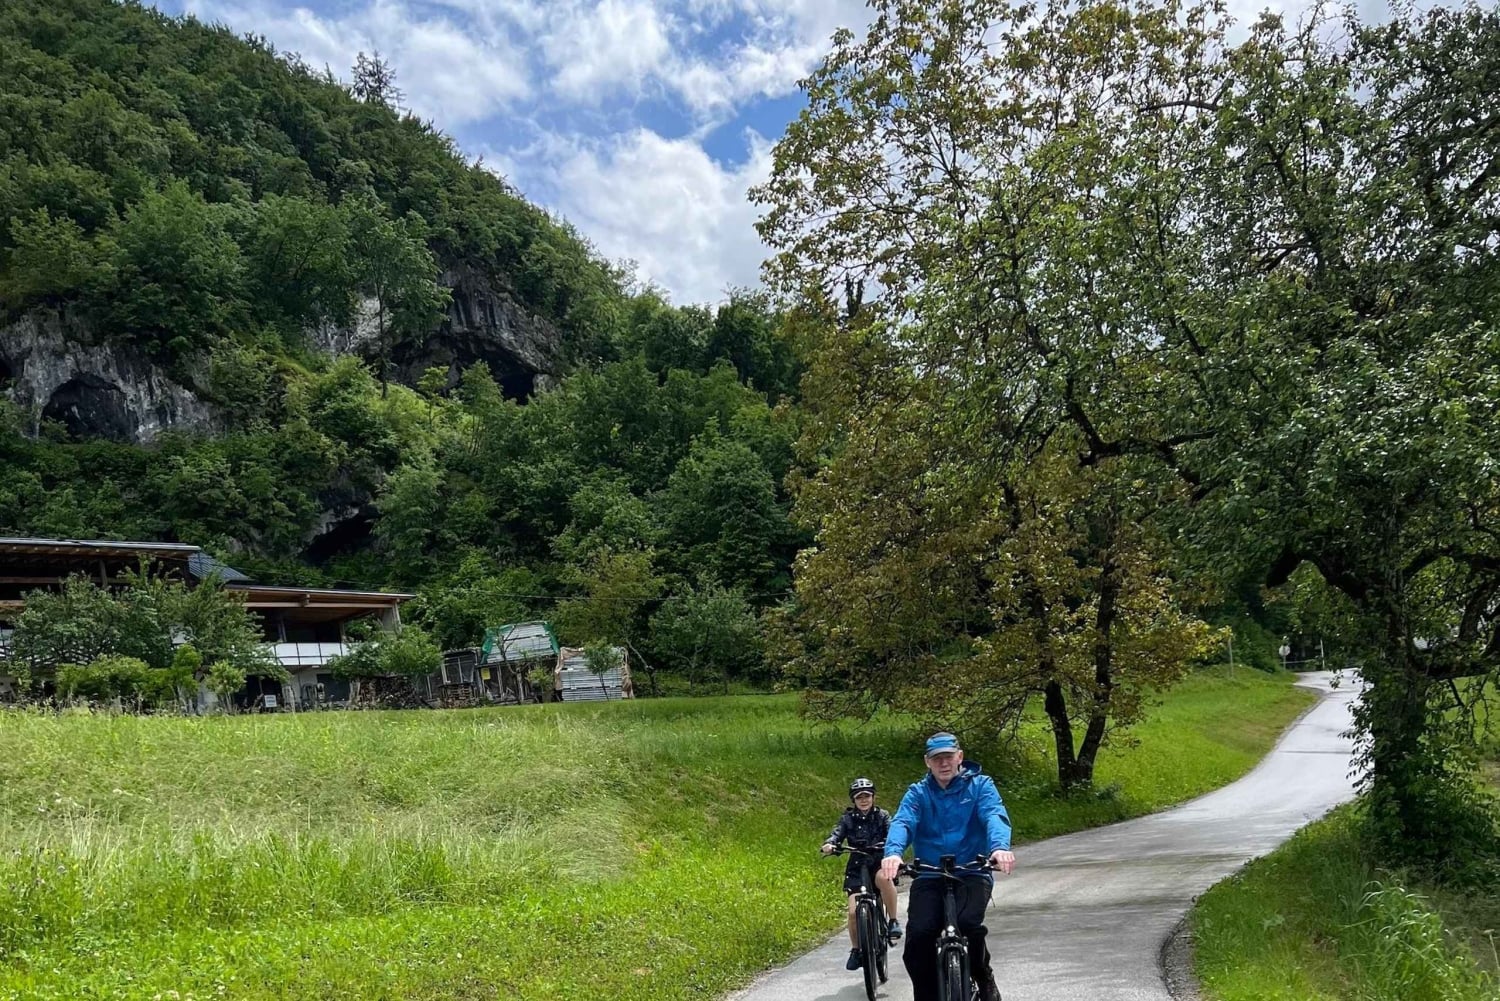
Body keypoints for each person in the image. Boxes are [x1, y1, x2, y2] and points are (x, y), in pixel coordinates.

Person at [881, 732, 1015, 1001]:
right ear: (927, 762)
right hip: (929, 873)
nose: (944, 763)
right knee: (919, 938)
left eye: (949, 757)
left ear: (960, 757)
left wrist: (999, 847)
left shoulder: (980, 786)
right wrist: (893, 853)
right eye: (937, 758)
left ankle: (983, 974)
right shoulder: (917, 793)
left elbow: (993, 815)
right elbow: (903, 822)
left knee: (967, 924)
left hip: (971, 870)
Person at [821, 777, 903, 971]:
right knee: (853, 912)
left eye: (867, 796)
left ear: (873, 797)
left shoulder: (882, 815)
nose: (864, 800)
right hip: (857, 866)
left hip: (877, 862)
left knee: (884, 879)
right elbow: (837, 833)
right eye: (859, 797)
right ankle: (857, 950)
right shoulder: (848, 818)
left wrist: (891, 845)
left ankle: (892, 921)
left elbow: (893, 832)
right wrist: (831, 844)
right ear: (853, 800)